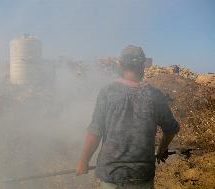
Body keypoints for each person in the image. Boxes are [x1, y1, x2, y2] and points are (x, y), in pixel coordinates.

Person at [75, 45, 180, 189]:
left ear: (120, 64)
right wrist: (161, 150)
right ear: (143, 65)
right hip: (142, 176)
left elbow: (95, 132)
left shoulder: (107, 92)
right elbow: (171, 129)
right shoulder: (155, 96)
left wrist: (83, 161)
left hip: (110, 176)